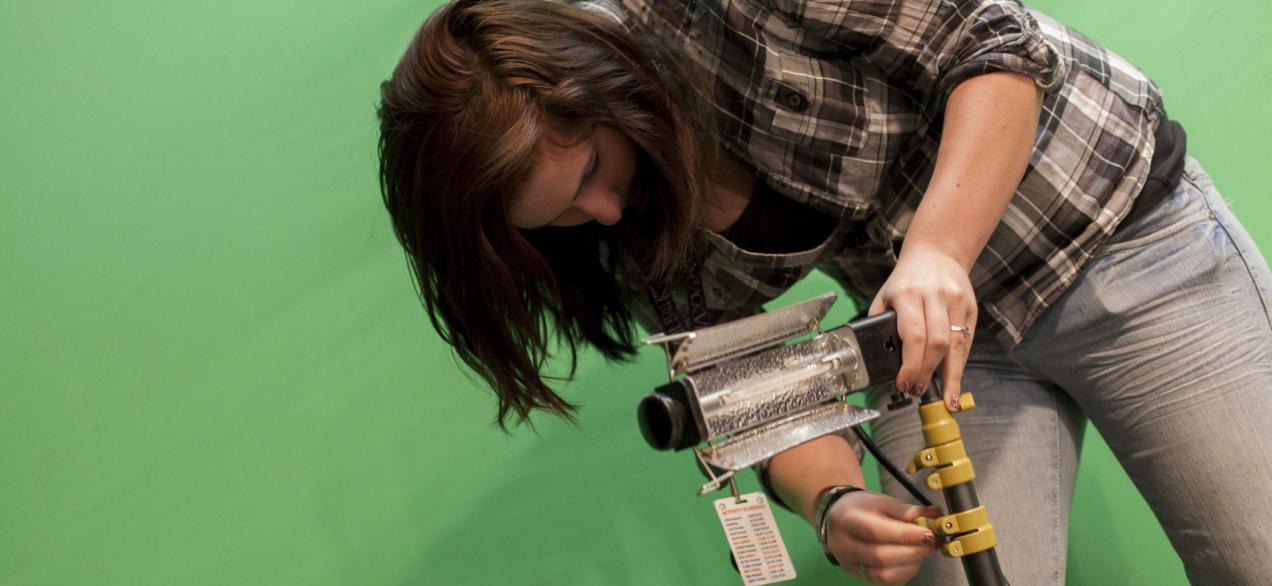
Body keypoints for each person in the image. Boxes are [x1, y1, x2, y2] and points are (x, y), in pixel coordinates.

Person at [375, 0, 1272, 583]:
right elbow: (748, 387)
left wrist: (936, 251)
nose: (606, 212)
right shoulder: (626, 230)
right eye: (563, 220)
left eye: (596, 171)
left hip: (1122, 245)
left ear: (604, 89)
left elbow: (998, 44)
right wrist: (835, 504)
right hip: (938, 350)